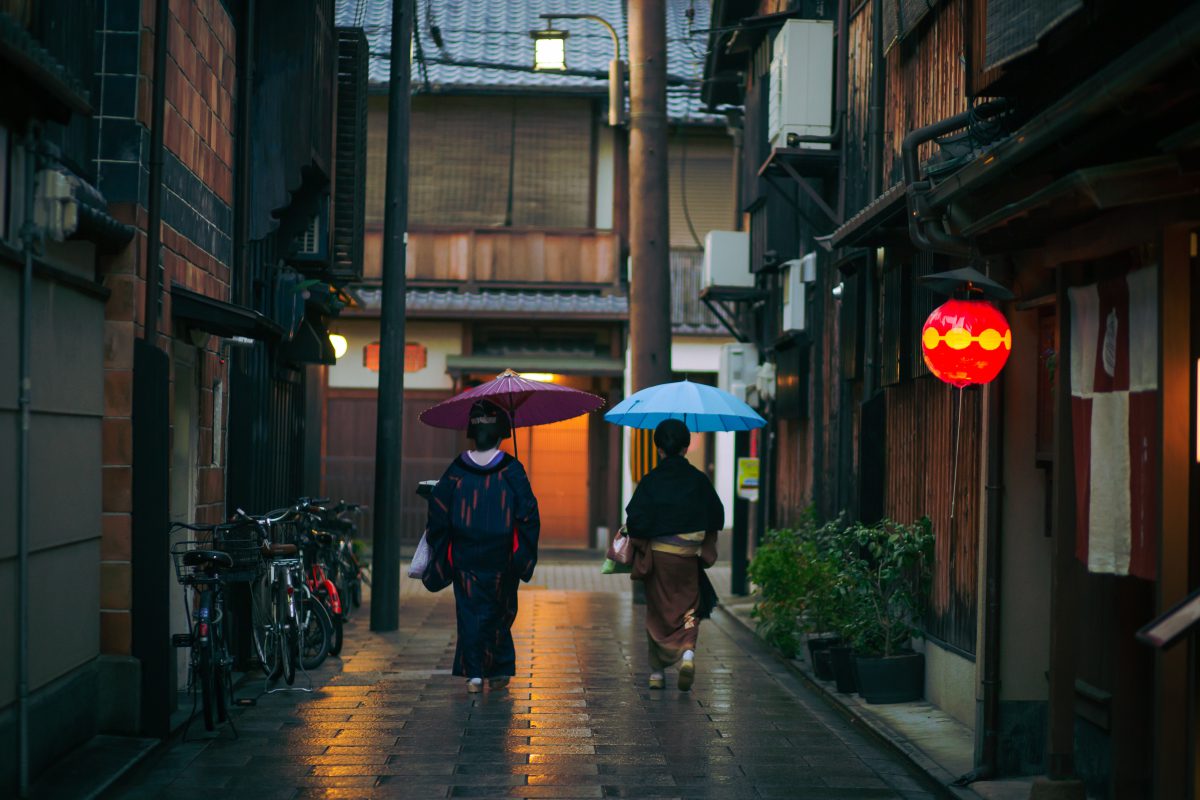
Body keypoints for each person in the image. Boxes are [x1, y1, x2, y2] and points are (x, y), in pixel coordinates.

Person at [425, 399, 540, 693]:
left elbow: (439, 509)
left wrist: (443, 546)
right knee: (499, 612)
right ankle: (498, 669)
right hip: (502, 558)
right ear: (502, 434)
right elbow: (528, 513)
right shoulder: (512, 469)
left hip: (465, 557)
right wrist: (522, 555)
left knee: (469, 613)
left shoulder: (457, 470)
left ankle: (474, 674)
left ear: (472, 433)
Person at [624, 418, 724, 691]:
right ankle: (688, 654)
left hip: (659, 558)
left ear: (659, 449)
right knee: (690, 608)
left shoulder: (651, 481)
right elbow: (717, 514)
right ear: (686, 447)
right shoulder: (698, 480)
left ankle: (657, 674)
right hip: (688, 558)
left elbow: (636, 519)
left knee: (657, 612)